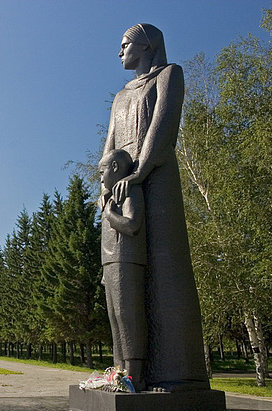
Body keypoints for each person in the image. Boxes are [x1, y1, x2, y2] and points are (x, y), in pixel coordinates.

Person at [100, 23, 209, 392]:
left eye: (125, 44)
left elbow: (163, 126)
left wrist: (140, 171)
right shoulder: (120, 96)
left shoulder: (168, 75)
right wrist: (105, 185)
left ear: (146, 46)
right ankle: (127, 372)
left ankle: (175, 372)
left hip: (156, 176)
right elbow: (110, 146)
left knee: (164, 269)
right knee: (124, 281)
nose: (120, 51)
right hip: (123, 182)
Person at [99, 149, 147, 391]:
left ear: (115, 168)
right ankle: (119, 373)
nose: (100, 179)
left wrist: (109, 214)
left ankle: (134, 375)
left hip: (126, 261)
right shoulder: (109, 197)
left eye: (102, 172)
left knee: (127, 317)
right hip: (110, 265)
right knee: (114, 319)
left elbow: (132, 225)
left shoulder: (129, 190)